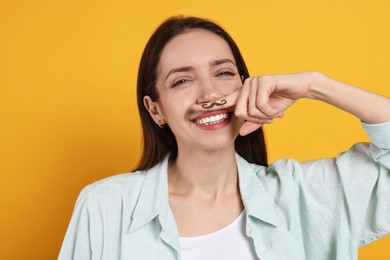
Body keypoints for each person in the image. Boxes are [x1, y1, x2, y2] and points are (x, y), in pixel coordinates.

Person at [58, 16, 390, 260]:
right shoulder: (104, 206)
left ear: (247, 86)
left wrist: (314, 85)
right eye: (182, 81)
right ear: (155, 109)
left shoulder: (301, 196)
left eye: (224, 73)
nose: (211, 93)